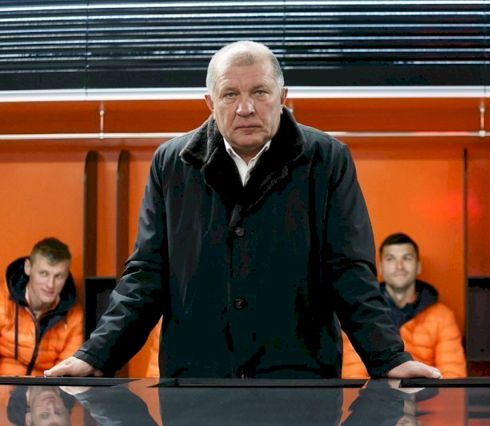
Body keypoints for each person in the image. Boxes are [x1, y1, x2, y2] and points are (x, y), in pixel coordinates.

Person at [45, 41, 440, 380]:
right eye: (230, 94)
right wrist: (96, 356)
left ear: (283, 97)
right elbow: (147, 276)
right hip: (196, 387)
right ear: (210, 102)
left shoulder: (327, 160)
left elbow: (350, 273)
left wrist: (389, 358)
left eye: (260, 92)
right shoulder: (171, 164)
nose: (246, 107)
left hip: (299, 384)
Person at [342, 233, 467, 378]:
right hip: (377, 393)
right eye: (390, 259)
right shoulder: (361, 314)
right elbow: (353, 378)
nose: (399, 266)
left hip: (429, 392)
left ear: (418, 266)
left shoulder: (442, 317)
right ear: (380, 268)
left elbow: (453, 378)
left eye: (407, 258)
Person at [0, 237, 83, 376]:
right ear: (28, 268)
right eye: (44, 274)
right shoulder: (2, 301)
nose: (50, 284)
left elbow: (66, 374)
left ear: (66, 276)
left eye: (59, 276)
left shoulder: (74, 316)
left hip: (47, 387)